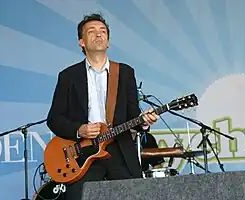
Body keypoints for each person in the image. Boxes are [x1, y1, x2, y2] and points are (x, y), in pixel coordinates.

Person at [46, 13, 160, 200]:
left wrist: (145, 122)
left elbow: (134, 115)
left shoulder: (124, 72)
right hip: (82, 154)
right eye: (91, 31)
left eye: (103, 31)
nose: (99, 35)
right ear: (81, 42)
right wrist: (79, 130)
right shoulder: (68, 76)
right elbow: (54, 119)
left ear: (108, 42)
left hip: (120, 150)